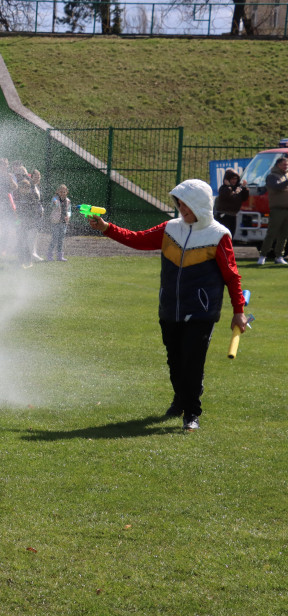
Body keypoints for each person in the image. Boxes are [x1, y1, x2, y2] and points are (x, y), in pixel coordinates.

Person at [88, 178, 248, 431]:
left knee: (192, 363)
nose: (182, 209)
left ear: (201, 205)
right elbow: (138, 239)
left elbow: (231, 275)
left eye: (187, 205)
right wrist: (107, 228)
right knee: (174, 362)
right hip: (169, 309)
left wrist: (239, 311)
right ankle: (180, 400)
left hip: (201, 312)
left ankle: (191, 413)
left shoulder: (219, 235)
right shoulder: (170, 228)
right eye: (180, 204)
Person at [257, 156, 288, 265]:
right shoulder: (271, 176)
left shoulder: (285, 176)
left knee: (284, 235)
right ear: (278, 165)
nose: (286, 166)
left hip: (286, 209)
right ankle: (263, 255)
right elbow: (276, 187)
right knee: (272, 233)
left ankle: (279, 256)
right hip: (277, 209)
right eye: (284, 164)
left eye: (287, 165)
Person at [213, 168, 248, 241]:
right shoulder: (223, 189)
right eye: (232, 179)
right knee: (224, 237)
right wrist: (230, 187)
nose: (234, 181)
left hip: (233, 215)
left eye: (235, 179)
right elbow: (231, 197)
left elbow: (244, 198)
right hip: (224, 216)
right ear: (227, 179)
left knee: (231, 236)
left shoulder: (238, 188)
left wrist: (244, 188)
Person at [47, 184, 72, 261]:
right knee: (54, 238)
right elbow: (53, 204)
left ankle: (59, 256)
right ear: (57, 192)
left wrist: (68, 216)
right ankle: (49, 255)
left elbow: (69, 211)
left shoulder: (68, 201)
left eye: (64, 192)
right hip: (55, 222)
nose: (62, 193)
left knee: (61, 240)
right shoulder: (55, 199)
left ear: (67, 192)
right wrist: (55, 202)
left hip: (64, 223)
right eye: (60, 192)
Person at [29, 169, 46, 261]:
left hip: (38, 215)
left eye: (39, 177)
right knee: (32, 234)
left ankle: (33, 253)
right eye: (36, 176)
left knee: (35, 234)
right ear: (31, 176)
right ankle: (31, 253)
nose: (38, 178)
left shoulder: (37, 186)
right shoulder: (30, 186)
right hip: (33, 215)